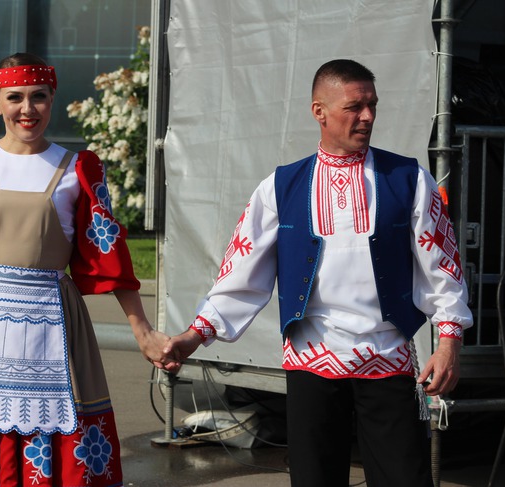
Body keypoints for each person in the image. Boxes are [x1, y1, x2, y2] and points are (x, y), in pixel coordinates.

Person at [163, 59, 473, 487]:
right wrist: (193, 336)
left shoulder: (408, 179)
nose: (367, 116)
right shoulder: (281, 186)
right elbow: (241, 275)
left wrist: (449, 343)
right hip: (312, 361)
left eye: (372, 105)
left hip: (387, 357)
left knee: (405, 478)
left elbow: (443, 267)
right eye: (354, 106)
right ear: (319, 111)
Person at [0, 52, 174, 487]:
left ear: (53, 99)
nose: (28, 109)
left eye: (39, 97)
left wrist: (143, 331)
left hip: (51, 324)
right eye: (15, 98)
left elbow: (108, 257)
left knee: (47, 424)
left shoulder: (77, 169)